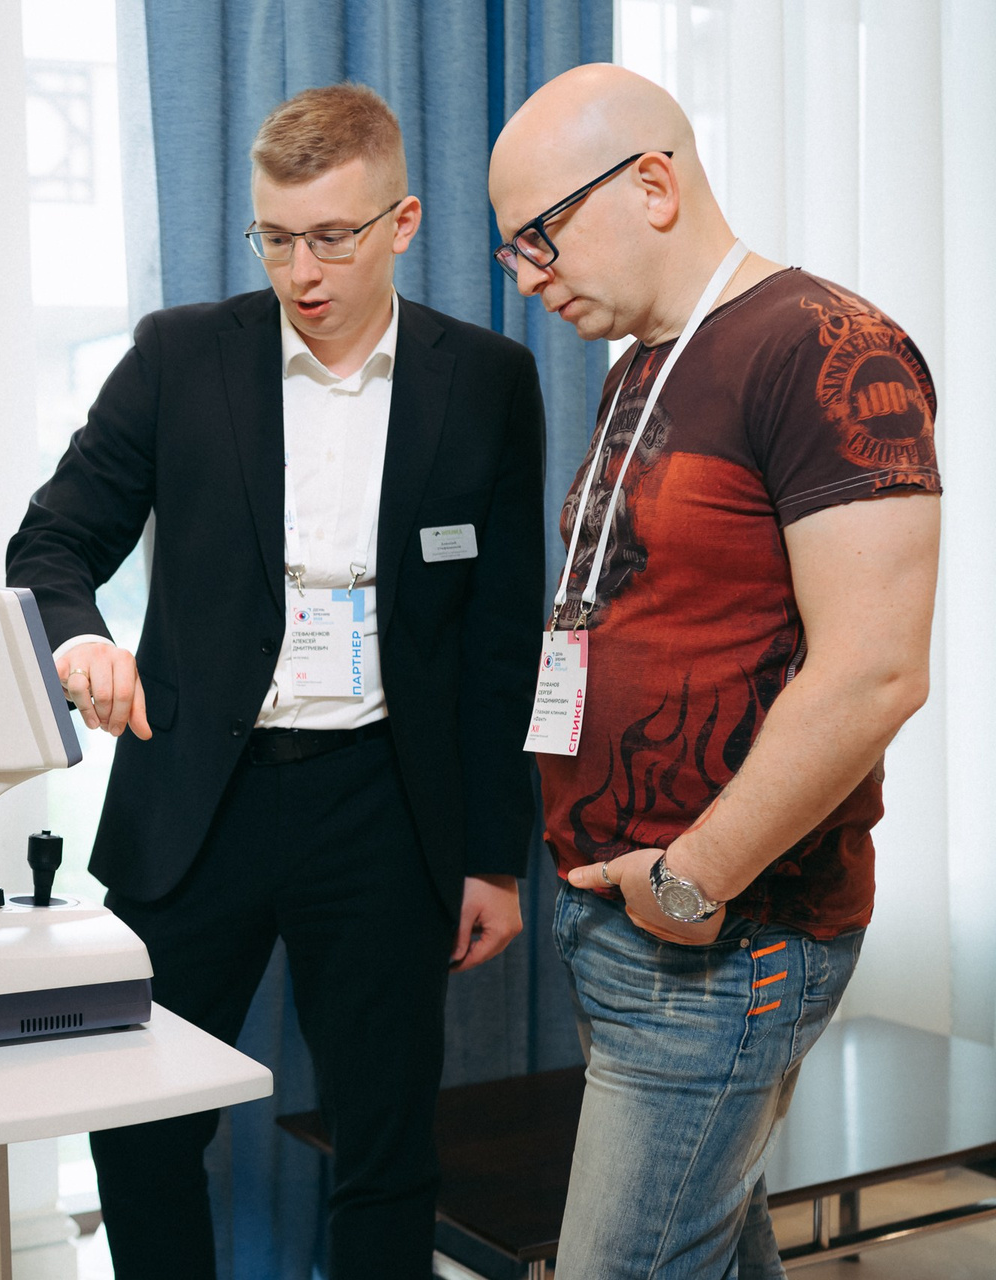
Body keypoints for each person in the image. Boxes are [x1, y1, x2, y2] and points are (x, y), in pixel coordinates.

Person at [7, 83, 545, 1279]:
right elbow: (50, 543)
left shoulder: (487, 380)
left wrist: (496, 852)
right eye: (277, 237)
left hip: (385, 801)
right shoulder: (180, 357)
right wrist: (79, 640)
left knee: (386, 1142)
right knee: (142, 1123)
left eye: (333, 237)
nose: (303, 272)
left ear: (403, 222)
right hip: (203, 792)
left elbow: (504, 635)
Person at [488, 64, 941, 1279]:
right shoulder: (648, 360)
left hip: (723, 934)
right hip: (630, 915)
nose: (527, 277)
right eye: (514, 250)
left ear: (652, 183)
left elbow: (876, 671)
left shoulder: (828, 346)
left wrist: (690, 881)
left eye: (540, 236)